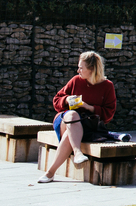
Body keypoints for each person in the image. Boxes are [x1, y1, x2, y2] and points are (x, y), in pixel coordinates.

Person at [39, 51, 118, 183]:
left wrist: (89, 107)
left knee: (70, 134)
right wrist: (66, 99)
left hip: (87, 125)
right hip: (65, 120)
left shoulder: (107, 86)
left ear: (91, 69)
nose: (78, 70)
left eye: (81, 68)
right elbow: (56, 100)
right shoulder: (76, 80)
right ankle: (77, 152)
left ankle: (50, 172)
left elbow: (109, 114)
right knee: (72, 114)